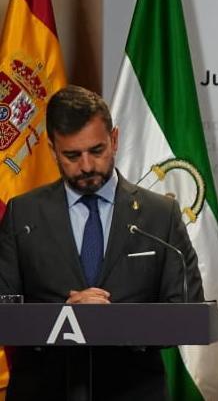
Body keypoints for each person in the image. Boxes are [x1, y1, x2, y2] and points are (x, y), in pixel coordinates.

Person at [0, 85, 203, 401]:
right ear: (52, 149)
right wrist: (65, 316)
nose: (86, 166)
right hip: (44, 390)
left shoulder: (160, 215)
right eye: (71, 155)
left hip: (132, 392)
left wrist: (111, 321)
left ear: (115, 139)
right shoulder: (21, 213)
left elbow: (187, 312)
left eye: (97, 150)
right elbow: (4, 312)